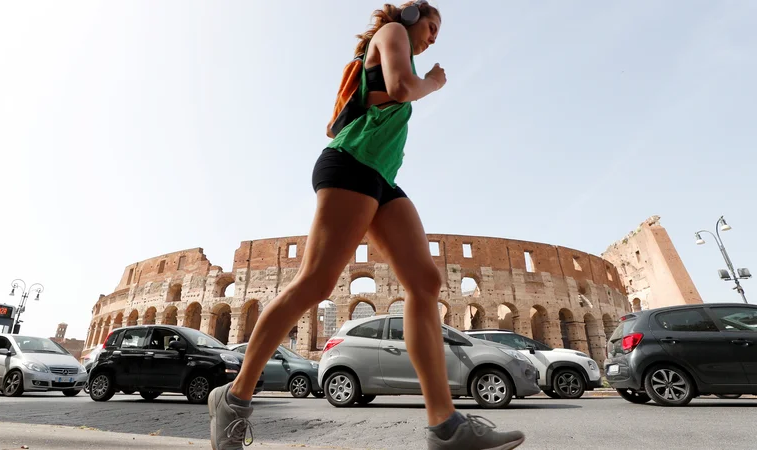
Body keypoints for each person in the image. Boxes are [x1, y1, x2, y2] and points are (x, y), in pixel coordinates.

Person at [208, 2, 526, 449]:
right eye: (431, 26)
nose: (433, 36)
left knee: (424, 281)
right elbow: (399, 87)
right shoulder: (395, 32)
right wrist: (432, 83)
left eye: (438, 31)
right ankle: (234, 397)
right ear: (413, 17)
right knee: (315, 283)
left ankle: (445, 426)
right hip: (351, 165)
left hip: (380, 178)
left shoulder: (400, 43)